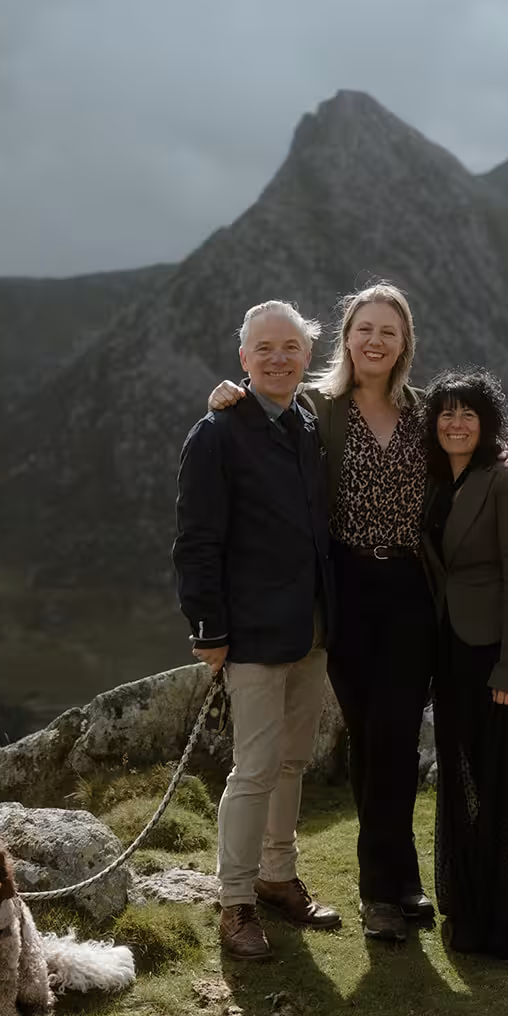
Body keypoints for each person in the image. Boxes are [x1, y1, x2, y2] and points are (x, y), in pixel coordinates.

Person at [208, 284, 435, 943]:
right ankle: (375, 893)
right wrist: (227, 394)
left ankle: (400, 879)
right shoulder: (317, 407)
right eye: (364, 328)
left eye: (388, 331)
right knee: (368, 738)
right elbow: (258, 411)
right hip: (346, 594)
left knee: (390, 737)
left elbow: (464, 453)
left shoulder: (423, 412)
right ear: (346, 338)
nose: (375, 341)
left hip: (409, 594)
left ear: (403, 343)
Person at [173, 300, 342, 961]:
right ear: (243, 359)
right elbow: (196, 542)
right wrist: (209, 630)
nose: (278, 358)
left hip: (311, 629)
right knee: (257, 768)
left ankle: (278, 878)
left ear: (306, 356)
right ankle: (236, 902)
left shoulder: (305, 422)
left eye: (290, 347)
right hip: (249, 635)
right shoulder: (216, 433)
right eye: (264, 349)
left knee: (294, 763)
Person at [420, 368, 508, 961]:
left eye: (468, 413)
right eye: (446, 412)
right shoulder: (430, 476)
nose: (455, 423)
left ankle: (503, 917)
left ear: (487, 422)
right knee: (461, 770)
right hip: (452, 644)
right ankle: (466, 901)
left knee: (505, 779)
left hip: (504, 647)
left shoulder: (506, 479)